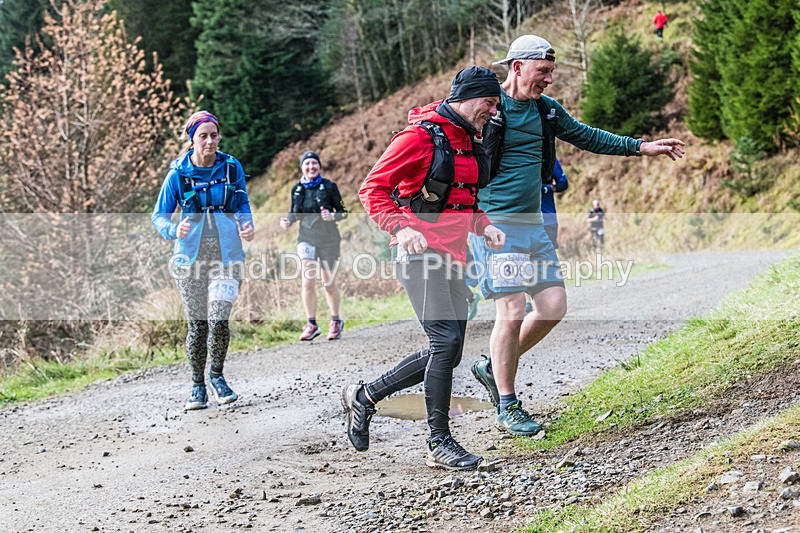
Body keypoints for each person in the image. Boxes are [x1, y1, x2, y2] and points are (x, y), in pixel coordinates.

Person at [469, 35, 684, 436]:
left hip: (532, 224)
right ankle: (507, 404)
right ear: (516, 67)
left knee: (552, 306)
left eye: (551, 72)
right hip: (495, 226)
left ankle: (490, 366)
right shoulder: (489, 108)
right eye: (542, 71)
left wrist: (641, 147)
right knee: (512, 311)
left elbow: (588, 135)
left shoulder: (547, 111)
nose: (549, 79)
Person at [343, 66, 506, 471]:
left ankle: (364, 397)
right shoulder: (418, 137)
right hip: (417, 253)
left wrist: (483, 225)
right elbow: (372, 189)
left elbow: (460, 198)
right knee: (445, 341)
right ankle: (439, 442)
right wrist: (400, 226)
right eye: (489, 102)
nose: (493, 110)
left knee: (446, 353)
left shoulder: (468, 141)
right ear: (468, 97)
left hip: (454, 256)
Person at [152, 111, 255, 410]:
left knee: (218, 319)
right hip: (189, 258)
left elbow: (242, 201)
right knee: (198, 325)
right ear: (192, 139)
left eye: (214, 135)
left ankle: (217, 377)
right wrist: (174, 229)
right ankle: (197, 386)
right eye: (203, 136)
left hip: (227, 255)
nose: (209, 141)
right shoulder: (178, 175)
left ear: (219, 136)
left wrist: (246, 223)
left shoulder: (231, 167)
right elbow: (158, 216)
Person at [280, 151, 348, 341]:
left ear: (319, 166)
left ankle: (335, 320)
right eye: (307, 164)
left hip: (329, 240)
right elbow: (295, 213)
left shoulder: (329, 187)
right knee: (307, 281)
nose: (311, 167)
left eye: (314, 163)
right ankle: (312, 324)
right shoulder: (297, 189)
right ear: (302, 168)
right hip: (306, 238)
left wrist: (332, 216)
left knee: (328, 283)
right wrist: (287, 221)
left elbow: (343, 212)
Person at [542, 158, 569, 249]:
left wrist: (548, 188)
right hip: (523, 220)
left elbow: (563, 184)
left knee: (548, 257)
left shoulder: (548, 156)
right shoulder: (514, 155)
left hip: (548, 219)